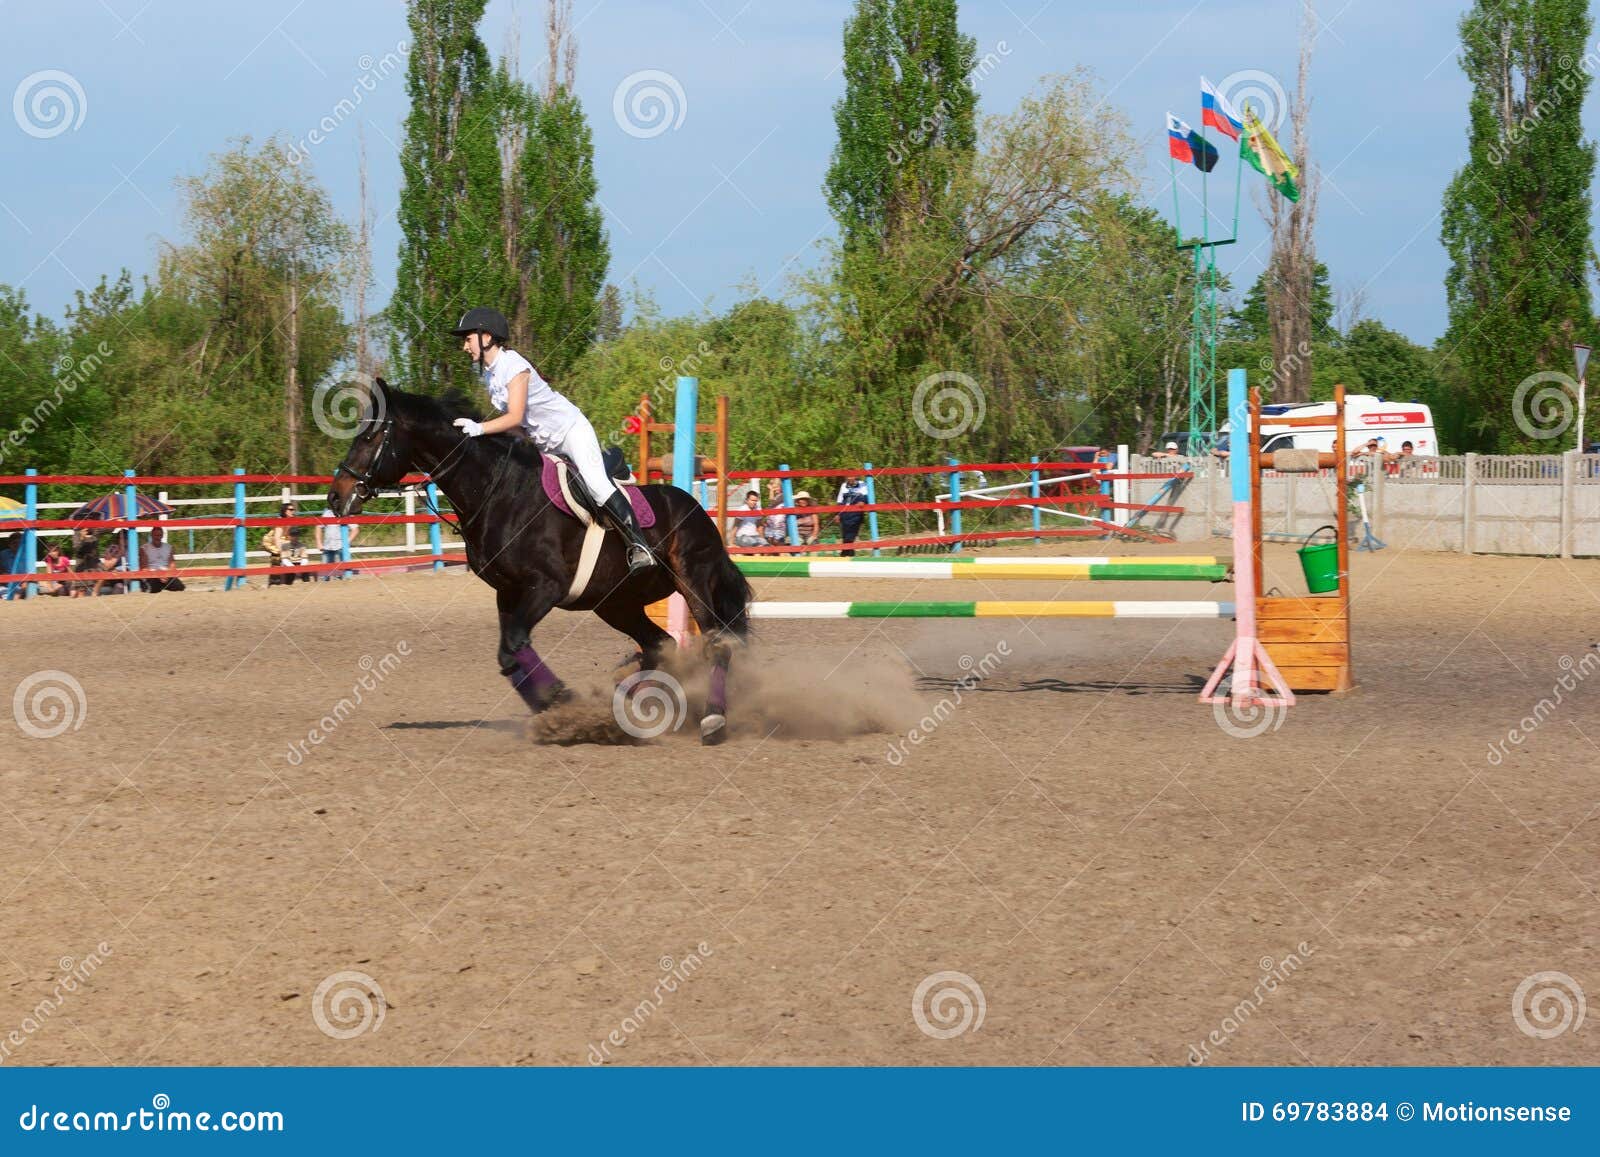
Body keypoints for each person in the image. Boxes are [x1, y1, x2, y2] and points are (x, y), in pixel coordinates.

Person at [447, 307, 655, 574]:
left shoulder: (513, 365)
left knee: (597, 486)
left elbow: (514, 416)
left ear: (486, 336)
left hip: (570, 432)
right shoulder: (489, 374)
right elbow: (518, 426)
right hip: (544, 443)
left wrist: (480, 428)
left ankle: (640, 547)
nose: (464, 346)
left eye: (467, 339)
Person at [263, 502, 312, 585]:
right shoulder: (280, 521)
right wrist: (282, 551)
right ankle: (276, 582)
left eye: (293, 509)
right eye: (291, 509)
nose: (293, 511)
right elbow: (277, 538)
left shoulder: (292, 520)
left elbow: (292, 535)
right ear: (285, 511)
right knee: (278, 558)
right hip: (274, 542)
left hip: (285, 542)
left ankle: (287, 579)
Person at [139, 526, 185, 593]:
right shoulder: (144, 548)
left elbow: (172, 565)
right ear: (151, 535)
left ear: (162, 535)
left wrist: (167, 574)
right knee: (153, 589)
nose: (158, 537)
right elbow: (144, 568)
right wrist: (158, 575)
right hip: (152, 575)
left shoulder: (169, 547)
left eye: (160, 535)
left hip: (166, 575)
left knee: (180, 587)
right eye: (156, 535)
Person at [319, 506, 358, 580]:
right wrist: (319, 542)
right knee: (324, 576)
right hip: (327, 548)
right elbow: (318, 526)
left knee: (338, 577)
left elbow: (355, 529)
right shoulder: (327, 513)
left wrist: (345, 543)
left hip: (339, 549)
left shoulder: (346, 513)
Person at [835, 475, 869, 557]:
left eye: (851, 476)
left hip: (856, 514)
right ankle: (849, 554)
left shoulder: (862, 485)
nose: (849, 478)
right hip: (845, 514)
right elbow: (840, 501)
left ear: (855, 477)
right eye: (848, 477)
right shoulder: (843, 485)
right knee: (845, 536)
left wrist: (862, 502)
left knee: (851, 536)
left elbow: (866, 498)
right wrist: (837, 514)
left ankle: (845, 554)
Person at [762, 480, 788, 547]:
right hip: (771, 524)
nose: (774, 489)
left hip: (778, 525)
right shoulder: (776, 496)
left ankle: (782, 554)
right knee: (770, 540)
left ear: (781, 487)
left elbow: (772, 502)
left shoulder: (783, 496)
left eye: (776, 487)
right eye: (773, 487)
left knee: (778, 541)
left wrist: (771, 490)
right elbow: (770, 507)